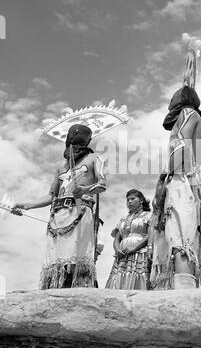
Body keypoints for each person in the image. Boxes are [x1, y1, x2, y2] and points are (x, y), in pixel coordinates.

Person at [11, 124, 106, 289]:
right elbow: (51, 196)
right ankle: (54, 291)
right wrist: (26, 205)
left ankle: (78, 292)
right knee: (55, 260)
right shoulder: (61, 167)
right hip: (57, 216)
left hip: (80, 211)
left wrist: (84, 189)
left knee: (76, 257)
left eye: (78, 140)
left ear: (86, 141)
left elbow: (102, 185)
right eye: (71, 140)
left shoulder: (94, 159)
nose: (74, 144)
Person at [148, 85, 201, 290]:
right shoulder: (196, 117)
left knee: (180, 239)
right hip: (191, 182)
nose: (170, 101)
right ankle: (183, 291)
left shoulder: (187, 113)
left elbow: (182, 146)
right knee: (183, 237)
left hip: (182, 181)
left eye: (173, 97)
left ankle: (183, 296)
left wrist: (165, 174)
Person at [105, 189, 151, 290]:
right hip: (122, 256)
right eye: (127, 200)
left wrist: (135, 247)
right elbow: (117, 238)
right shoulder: (123, 219)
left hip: (140, 252)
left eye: (132, 199)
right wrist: (117, 250)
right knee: (117, 280)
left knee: (137, 277)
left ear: (141, 200)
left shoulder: (148, 216)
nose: (129, 202)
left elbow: (151, 234)